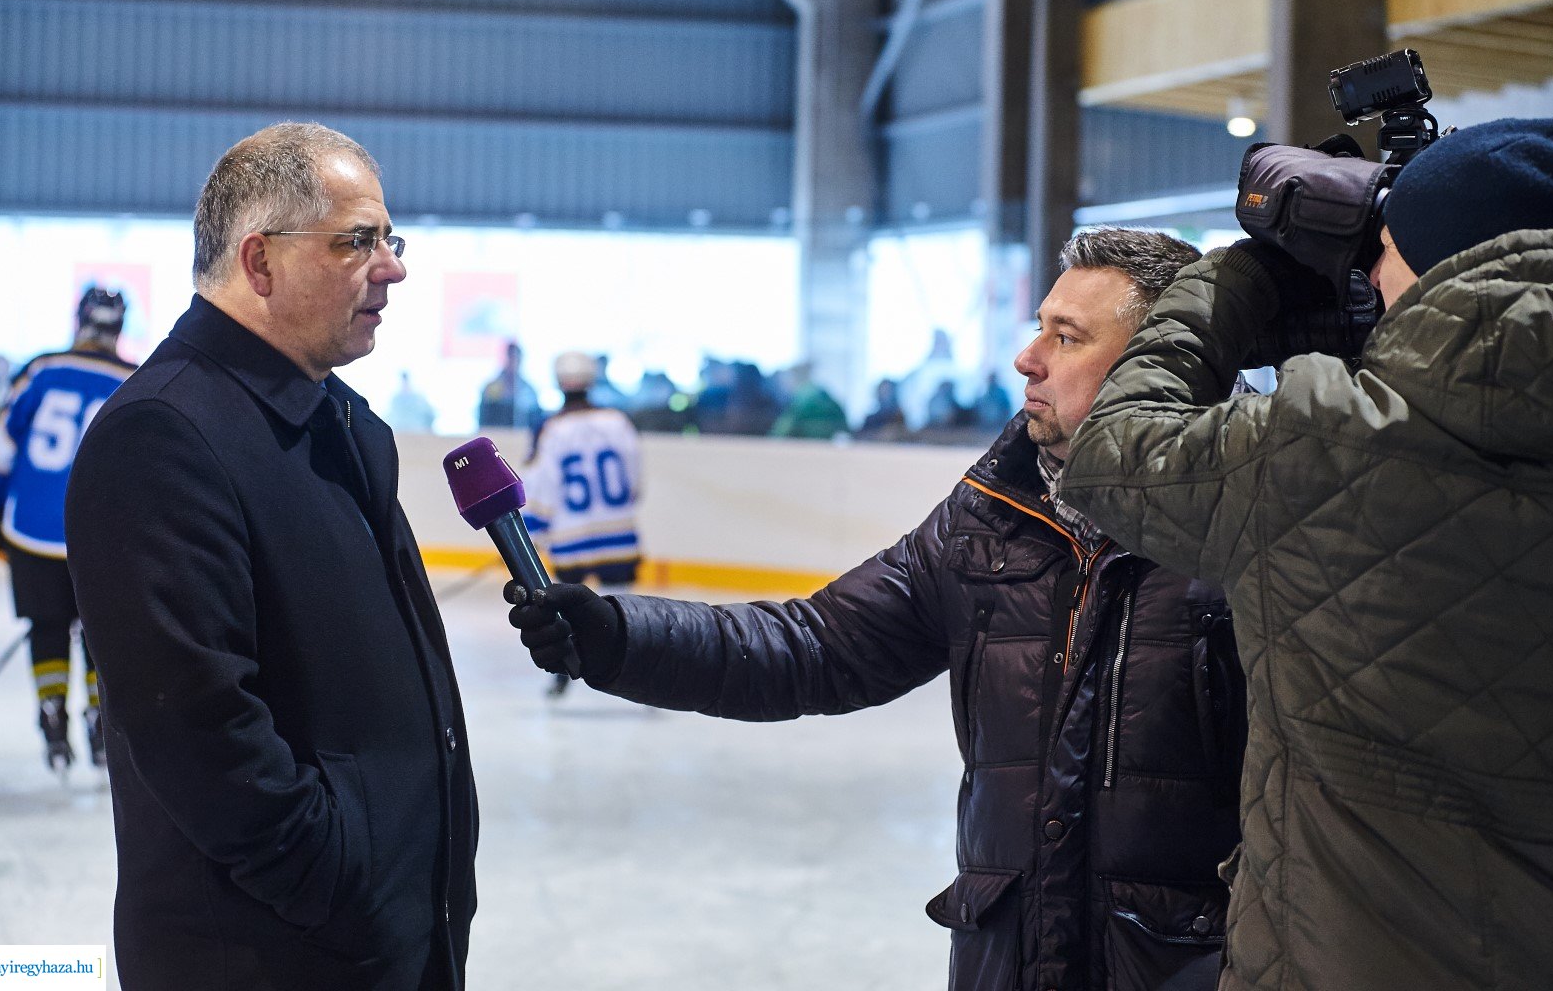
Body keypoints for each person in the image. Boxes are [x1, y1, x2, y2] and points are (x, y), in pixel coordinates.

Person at [511, 228, 1245, 991]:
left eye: (1065, 337)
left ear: (1162, 361)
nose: (1028, 357)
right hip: (1011, 962)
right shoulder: (990, 518)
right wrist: (622, 638)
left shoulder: (1259, 521)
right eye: (1038, 328)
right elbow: (818, 646)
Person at [1059, 118, 1553, 991]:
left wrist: (1230, 284)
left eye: (1381, 249)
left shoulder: (1322, 441)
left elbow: (1113, 458)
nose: (1371, 274)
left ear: (1429, 262)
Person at [64, 122, 477, 991]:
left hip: (383, 939)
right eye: (358, 241)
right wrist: (340, 884)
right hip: (271, 955)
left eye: (388, 240)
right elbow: (199, 733)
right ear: (260, 263)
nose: (393, 267)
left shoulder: (346, 423)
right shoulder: (162, 436)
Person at [0, 288, 134, 772]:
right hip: (100, 539)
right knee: (97, 633)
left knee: (46, 630)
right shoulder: (134, 380)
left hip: (31, 529)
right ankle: (99, 723)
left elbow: (1, 449)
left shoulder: (41, 370)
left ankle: (52, 720)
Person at [520, 350, 644, 697]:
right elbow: (635, 481)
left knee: (566, 609)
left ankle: (564, 671)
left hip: (570, 538)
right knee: (627, 610)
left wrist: (533, 533)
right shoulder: (618, 422)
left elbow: (540, 486)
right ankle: (639, 672)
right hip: (619, 534)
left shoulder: (552, 428)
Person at [768, 362, 849, 440]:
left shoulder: (801, 397)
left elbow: (783, 430)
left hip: (806, 444)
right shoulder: (824, 394)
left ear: (794, 377)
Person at [478, 339, 543, 430]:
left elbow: (535, 419)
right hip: (496, 436)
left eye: (516, 359)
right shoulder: (491, 388)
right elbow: (484, 421)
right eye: (511, 358)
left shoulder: (529, 390)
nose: (514, 363)